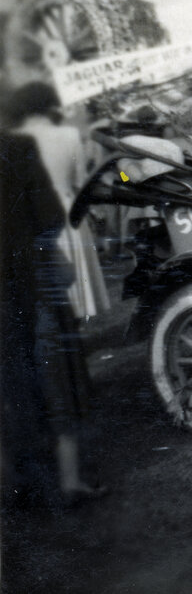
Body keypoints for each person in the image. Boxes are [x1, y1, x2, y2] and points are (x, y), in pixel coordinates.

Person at [1, 126, 107, 505]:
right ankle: (67, 480)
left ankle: (13, 484)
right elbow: (49, 216)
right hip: (31, 279)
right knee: (55, 379)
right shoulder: (18, 145)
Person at [11, 82, 110, 321]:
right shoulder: (69, 135)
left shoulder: (14, 140)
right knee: (73, 268)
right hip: (68, 207)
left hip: (31, 215)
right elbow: (80, 179)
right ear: (50, 105)